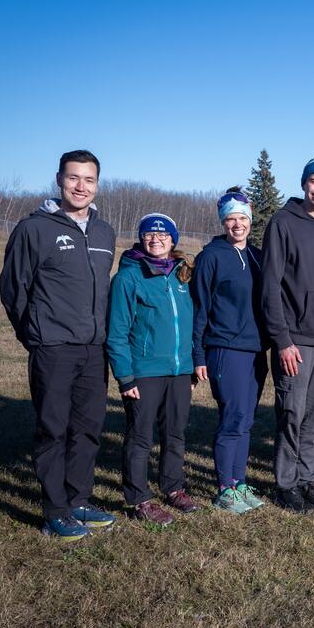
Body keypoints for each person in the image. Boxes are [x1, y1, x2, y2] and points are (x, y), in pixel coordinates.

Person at [0, 150, 118, 540]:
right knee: (53, 428)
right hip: (53, 346)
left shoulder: (105, 232)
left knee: (87, 429)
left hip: (93, 347)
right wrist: (33, 334)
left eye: (88, 180)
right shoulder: (34, 229)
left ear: (97, 184)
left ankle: (79, 499)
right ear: (59, 179)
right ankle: (55, 510)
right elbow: (14, 288)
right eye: (73, 178)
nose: (80, 186)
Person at [260, 155, 314, 512]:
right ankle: (286, 484)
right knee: (292, 414)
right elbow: (270, 286)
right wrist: (282, 341)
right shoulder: (283, 223)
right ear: (304, 184)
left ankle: (307, 479)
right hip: (294, 341)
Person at [106, 213, 200, 524]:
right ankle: (139, 499)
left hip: (178, 372)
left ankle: (173, 488)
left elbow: (187, 324)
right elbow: (117, 333)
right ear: (141, 238)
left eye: (162, 235)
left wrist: (188, 366)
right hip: (143, 372)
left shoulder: (182, 275)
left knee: (175, 433)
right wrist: (125, 376)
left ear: (173, 240)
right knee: (140, 437)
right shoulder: (128, 278)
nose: (155, 239)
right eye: (149, 234)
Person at [191, 188, 269, 515]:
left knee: (247, 419)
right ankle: (224, 487)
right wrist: (197, 355)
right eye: (231, 219)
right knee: (232, 418)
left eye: (243, 218)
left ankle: (239, 483)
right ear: (223, 222)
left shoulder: (256, 255)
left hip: (255, 351)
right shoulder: (212, 256)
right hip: (225, 348)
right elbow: (199, 308)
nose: (238, 224)